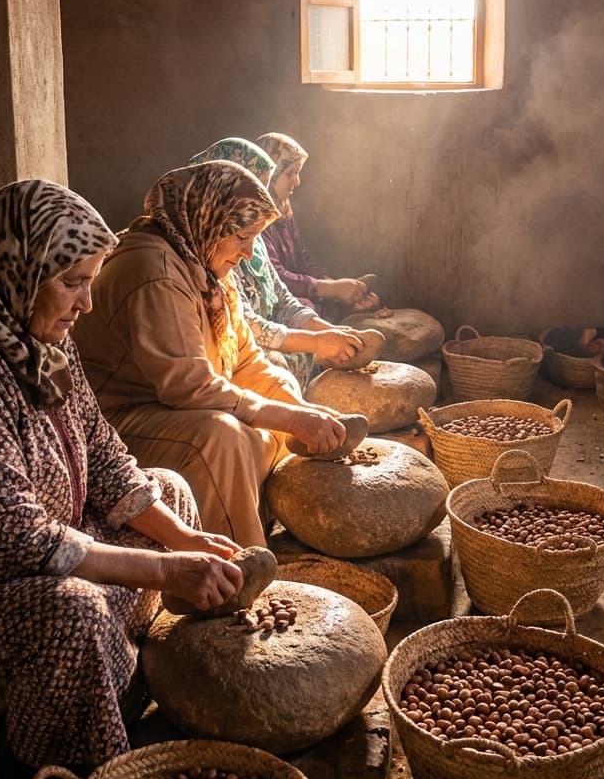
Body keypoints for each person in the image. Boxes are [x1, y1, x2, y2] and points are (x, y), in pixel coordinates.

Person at [0, 180, 244, 772]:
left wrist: (184, 542)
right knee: (73, 613)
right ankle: (69, 772)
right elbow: (7, 537)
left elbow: (106, 457)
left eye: (90, 281)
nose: (86, 303)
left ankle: (117, 687)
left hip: (28, 540)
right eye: (73, 282)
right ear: (18, 269)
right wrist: (165, 568)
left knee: (172, 493)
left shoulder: (37, 336)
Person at [73, 161, 346, 548]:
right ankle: (236, 571)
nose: (250, 253)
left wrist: (303, 413)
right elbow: (189, 387)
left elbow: (247, 362)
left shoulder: (204, 264)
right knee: (221, 438)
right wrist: (289, 417)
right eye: (241, 236)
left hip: (165, 409)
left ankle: (284, 528)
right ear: (207, 221)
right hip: (117, 421)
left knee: (280, 388)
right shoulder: (155, 270)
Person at [184, 138, 364, 387]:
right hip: (225, 349)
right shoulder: (207, 247)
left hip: (262, 333)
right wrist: (317, 341)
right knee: (275, 364)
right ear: (223, 189)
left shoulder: (253, 238)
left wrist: (326, 330)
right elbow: (244, 323)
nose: (262, 195)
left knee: (307, 341)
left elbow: (282, 298)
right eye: (257, 185)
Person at [254, 132, 381, 320]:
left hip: (296, 289)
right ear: (268, 175)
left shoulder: (282, 208)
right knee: (305, 307)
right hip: (271, 296)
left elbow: (302, 257)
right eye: (290, 174)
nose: (296, 181)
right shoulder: (253, 218)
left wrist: (334, 286)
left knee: (329, 300)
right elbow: (274, 278)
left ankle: (344, 309)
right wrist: (330, 289)